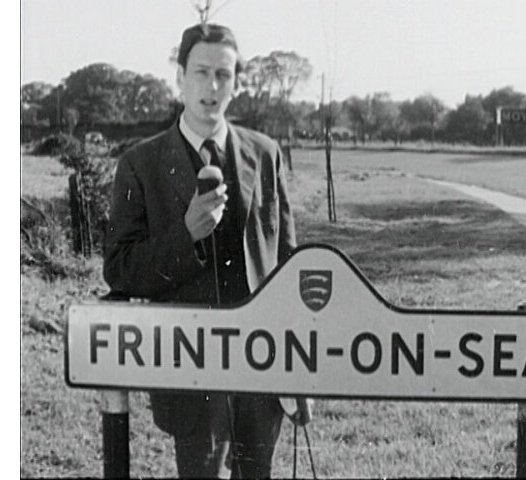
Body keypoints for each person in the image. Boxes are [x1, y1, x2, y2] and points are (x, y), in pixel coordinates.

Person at [103, 22, 302, 478]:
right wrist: (186, 235)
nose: (212, 88)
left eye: (223, 75)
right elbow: (119, 267)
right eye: (201, 73)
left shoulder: (265, 154)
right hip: (190, 373)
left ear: (236, 83)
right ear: (180, 77)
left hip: (263, 369)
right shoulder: (140, 164)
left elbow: (289, 263)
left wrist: (299, 373)